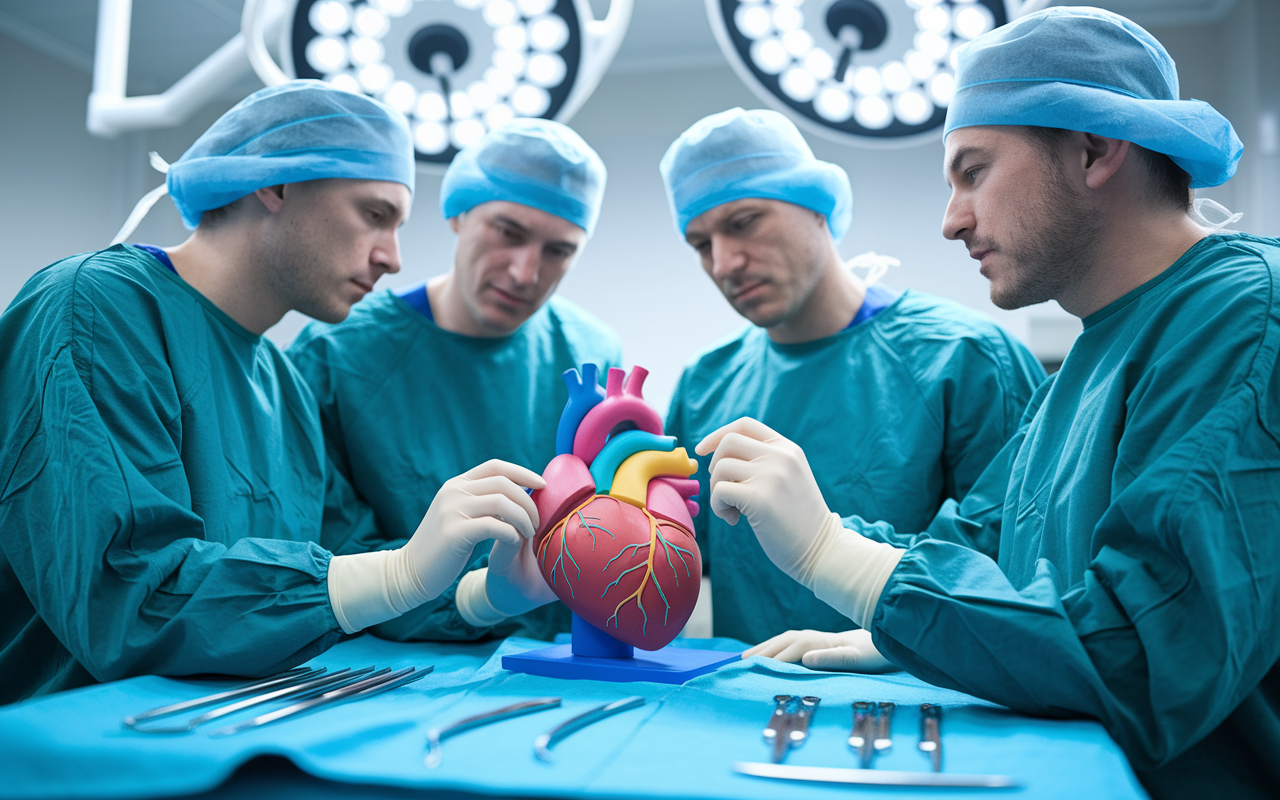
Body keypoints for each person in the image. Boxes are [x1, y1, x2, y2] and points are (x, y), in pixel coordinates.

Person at [695, 8, 1277, 798]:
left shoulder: (1246, 318)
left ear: (1096, 148)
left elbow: (1150, 654)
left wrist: (840, 560)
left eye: (973, 171)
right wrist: (891, 617)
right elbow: (980, 542)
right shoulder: (1091, 359)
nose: (950, 220)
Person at [0, 81, 547, 704]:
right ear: (277, 183)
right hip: (62, 745)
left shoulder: (283, 384)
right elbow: (126, 594)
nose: (394, 259)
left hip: (218, 737)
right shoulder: (96, 308)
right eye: (374, 215)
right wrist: (395, 573)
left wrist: (482, 593)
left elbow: (348, 568)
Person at [658, 107, 1046, 659]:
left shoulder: (965, 359)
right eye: (701, 244)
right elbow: (669, 560)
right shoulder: (706, 384)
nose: (724, 262)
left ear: (817, 207)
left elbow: (1017, 572)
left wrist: (895, 645)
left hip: (929, 699)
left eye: (744, 222)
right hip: (746, 701)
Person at [286, 118, 620, 643]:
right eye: (508, 232)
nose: (524, 272)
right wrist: (472, 596)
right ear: (458, 214)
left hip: (556, 670)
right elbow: (323, 552)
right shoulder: (336, 354)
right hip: (389, 669)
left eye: (558, 250)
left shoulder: (592, 357)